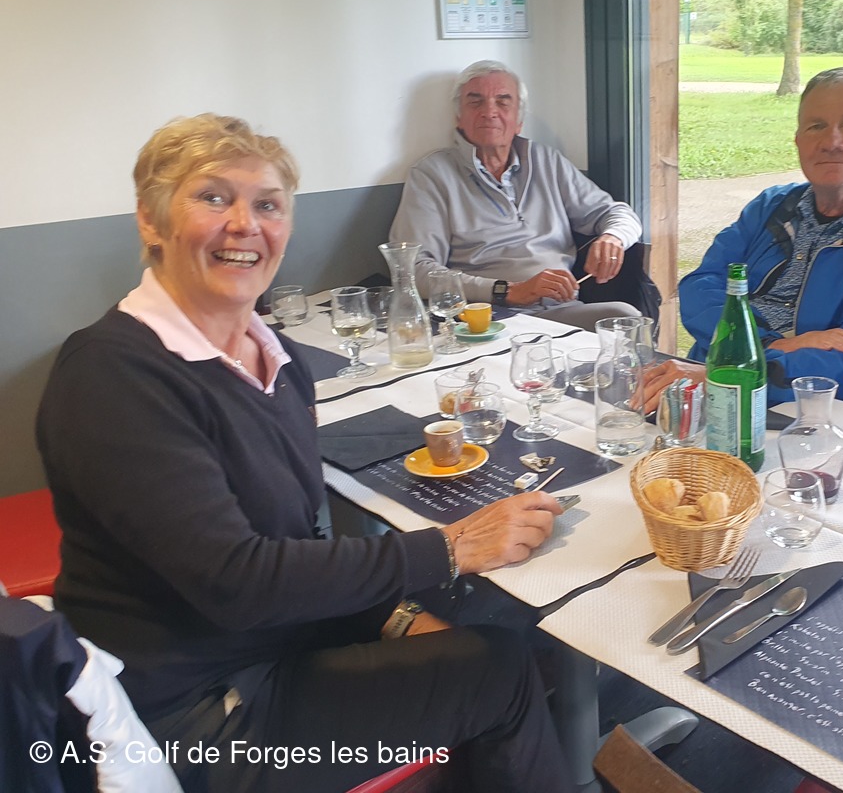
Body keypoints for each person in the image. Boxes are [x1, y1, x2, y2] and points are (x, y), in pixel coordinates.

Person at [38, 114, 572, 793]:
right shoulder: (113, 375)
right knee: (503, 671)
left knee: (486, 646)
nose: (244, 224)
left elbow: (293, 546)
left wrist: (398, 616)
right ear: (151, 220)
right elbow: (237, 581)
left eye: (267, 204)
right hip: (192, 717)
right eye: (212, 197)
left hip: (277, 645)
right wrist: (450, 548)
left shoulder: (277, 361)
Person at [643, 67, 843, 411]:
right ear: (798, 140)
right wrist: (769, 344)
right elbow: (701, 287)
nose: (832, 142)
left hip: (812, 417)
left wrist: (739, 371)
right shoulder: (770, 207)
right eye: (816, 126)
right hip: (708, 389)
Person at [389, 60, 645, 331]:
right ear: (458, 118)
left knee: (625, 319)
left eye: (503, 101)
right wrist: (506, 291)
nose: (489, 112)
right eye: (475, 102)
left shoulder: (546, 161)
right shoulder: (432, 175)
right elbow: (414, 269)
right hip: (487, 318)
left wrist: (613, 237)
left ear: (519, 121)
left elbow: (617, 213)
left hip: (559, 310)